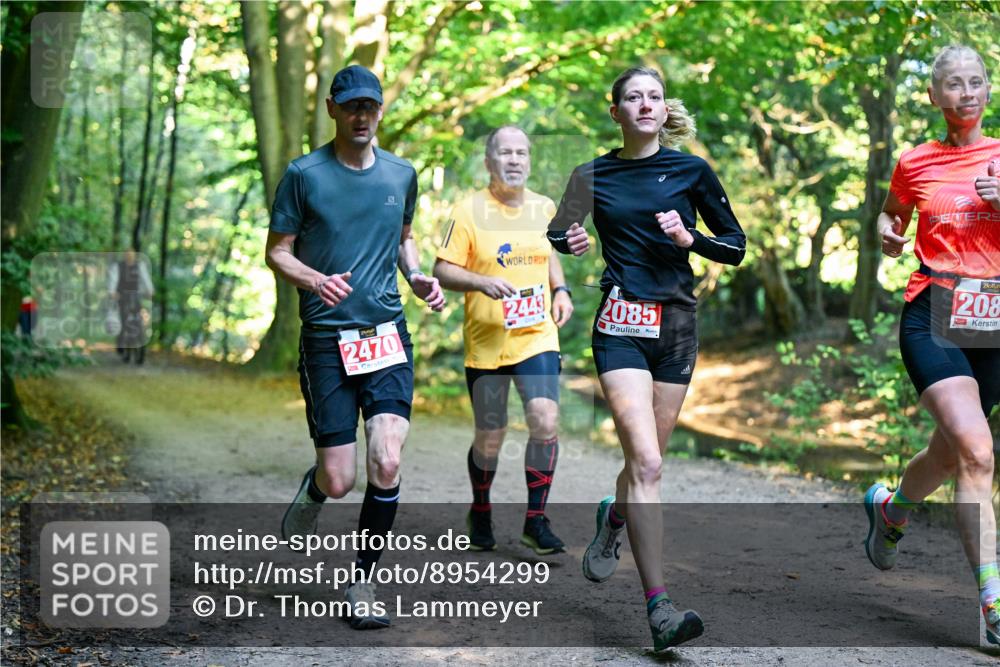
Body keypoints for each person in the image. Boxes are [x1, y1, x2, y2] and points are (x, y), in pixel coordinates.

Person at [547, 66, 746, 650]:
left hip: (677, 327)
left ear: (664, 110)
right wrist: (572, 241)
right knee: (650, 466)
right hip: (621, 325)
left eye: (654, 97)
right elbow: (559, 231)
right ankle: (659, 610)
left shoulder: (692, 171)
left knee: (645, 461)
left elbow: (734, 246)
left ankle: (614, 518)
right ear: (616, 112)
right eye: (632, 97)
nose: (644, 105)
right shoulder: (592, 174)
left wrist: (692, 241)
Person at [265, 64, 445, 630]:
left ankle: (361, 581)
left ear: (380, 111)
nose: (362, 116)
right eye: (352, 107)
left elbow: (404, 240)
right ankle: (315, 489)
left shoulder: (401, 174)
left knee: (387, 460)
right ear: (332, 110)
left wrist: (415, 277)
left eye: (370, 106)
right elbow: (277, 251)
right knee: (341, 479)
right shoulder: (304, 174)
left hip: (387, 335)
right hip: (326, 339)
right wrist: (314, 279)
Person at [862, 44, 999, 645]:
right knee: (977, 452)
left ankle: (891, 510)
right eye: (954, 84)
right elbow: (890, 216)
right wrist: (888, 233)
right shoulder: (915, 161)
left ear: (988, 90)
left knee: (950, 456)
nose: (966, 93)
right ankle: (994, 605)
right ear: (934, 95)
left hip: (995, 319)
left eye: (977, 82)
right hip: (936, 310)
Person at [433, 126, 574, 555]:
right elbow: (442, 270)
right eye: (505, 153)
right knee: (490, 437)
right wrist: (481, 281)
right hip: (487, 343)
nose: (514, 160)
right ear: (488, 161)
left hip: (536, 337)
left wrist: (561, 290)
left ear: (529, 160)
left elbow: (548, 254)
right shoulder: (467, 211)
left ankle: (536, 520)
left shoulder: (545, 208)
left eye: (521, 153)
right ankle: (480, 509)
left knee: (545, 420)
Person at [108, 248, 153, 364]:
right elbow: (113, 279)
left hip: (136, 297)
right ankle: (123, 346)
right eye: (127, 255)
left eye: (131, 255)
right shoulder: (118, 266)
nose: (129, 257)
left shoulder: (140, 265)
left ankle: (139, 350)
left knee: (139, 322)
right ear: (124, 256)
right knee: (123, 321)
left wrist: (150, 290)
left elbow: (145, 279)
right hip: (122, 297)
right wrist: (112, 292)